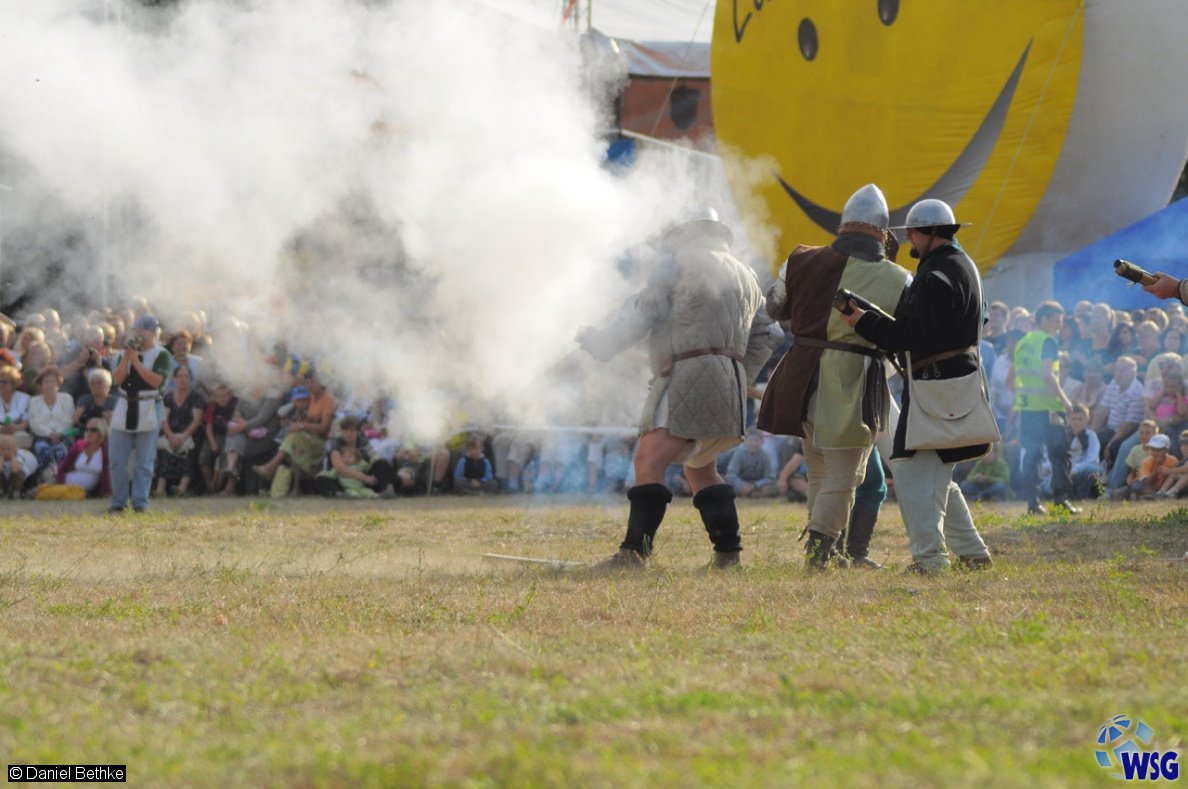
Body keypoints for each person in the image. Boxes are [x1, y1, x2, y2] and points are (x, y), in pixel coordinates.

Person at [576, 207, 781, 570]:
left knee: (648, 461)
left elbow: (645, 312)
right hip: (729, 384)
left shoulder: (676, 263)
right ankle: (728, 556)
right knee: (700, 469)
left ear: (687, 232)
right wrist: (738, 374)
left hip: (687, 377)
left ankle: (633, 555)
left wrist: (604, 343)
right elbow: (770, 334)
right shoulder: (747, 274)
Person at [759, 184, 912, 568]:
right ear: (883, 232)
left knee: (819, 471)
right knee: (845, 475)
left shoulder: (800, 259)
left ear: (843, 225)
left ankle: (830, 549)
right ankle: (820, 552)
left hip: (802, 374)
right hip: (851, 379)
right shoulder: (899, 278)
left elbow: (775, 307)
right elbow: (907, 334)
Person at [841, 198, 994, 574]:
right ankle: (972, 552)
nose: (908, 238)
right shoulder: (960, 265)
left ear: (929, 232)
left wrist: (862, 321)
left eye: (912, 232)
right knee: (936, 473)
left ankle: (930, 561)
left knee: (912, 474)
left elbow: (908, 336)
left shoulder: (935, 275)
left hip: (938, 384)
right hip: (950, 380)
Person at [1013, 301, 1078, 515]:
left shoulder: (1023, 342)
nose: (1059, 325)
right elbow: (1048, 375)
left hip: (1027, 409)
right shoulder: (1048, 341)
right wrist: (1065, 400)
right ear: (1044, 319)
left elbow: (1011, 379)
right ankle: (1061, 500)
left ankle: (1033, 503)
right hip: (1050, 408)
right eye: (1056, 320)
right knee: (1059, 455)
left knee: (1031, 456)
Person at [109, 315, 172, 513]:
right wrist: (127, 357)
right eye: (137, 329)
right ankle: (118, 502)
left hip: (149, 405)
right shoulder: (124, 354)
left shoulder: (162, 355)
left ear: (153, 333)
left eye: (144, 330)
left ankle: (140, 502)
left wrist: (135, 361)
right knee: (117, 460)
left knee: (144, 461)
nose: (140, 333)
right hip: (125, 404)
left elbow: (155, 381)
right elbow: (118, 379)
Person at [313, 415, 395, 498]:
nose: (348, 434)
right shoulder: (335, 442)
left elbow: (375, 458)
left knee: (381, 463)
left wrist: (374, 471)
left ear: (357, 431)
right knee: (320, 480)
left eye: (351, 431)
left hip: (361, 481)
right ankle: (340, 494)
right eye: (345, 431)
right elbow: (339, 467)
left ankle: (387, 489)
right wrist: (365, 478)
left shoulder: (362, 442)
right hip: (341, 478)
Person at [155, 365, 204, 497]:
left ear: (190, 379)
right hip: (171, 434)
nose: (183, 379)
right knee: (164, 450)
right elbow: (164, 419)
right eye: (180, 376)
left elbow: (197, 420)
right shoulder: (168, 397)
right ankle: (160, 489)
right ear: (174, 378)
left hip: (189, 434)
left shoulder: (196, 397)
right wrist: (171, 436)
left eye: (186, 376)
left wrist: (183, 436)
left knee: (189, 450)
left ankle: (182, 488)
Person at [28, 366, 76, 478]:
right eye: (46, 382)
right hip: (42, 437)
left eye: (53, 381)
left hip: (63, 436)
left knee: (60, 452)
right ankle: (45, 480)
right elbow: (34, 423)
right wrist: (50, 433)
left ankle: (62, 478)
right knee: (43, 451)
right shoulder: (34, 401)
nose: (49, 385)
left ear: (58, 383)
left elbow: (69, 420)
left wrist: (58, 433)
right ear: (41, 385)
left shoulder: (67, 399)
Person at [54, 418, 112, 498]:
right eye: (87, 429)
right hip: (65, 485)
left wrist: (107, 492)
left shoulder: (106, 450)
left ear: (102, 432)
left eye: (93, 430)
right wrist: (60, 486)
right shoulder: (78, 446)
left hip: (84, 492)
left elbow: (107, 475)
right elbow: (62, 468)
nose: (89, 432)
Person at [1111, 433, 1177, 500]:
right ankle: (1125, 493)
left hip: (1161, 487)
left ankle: (1144, 496)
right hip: (1146, 485)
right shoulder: (1147, 461)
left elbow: (1175, 476)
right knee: (1137, 486)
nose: (1156, 453)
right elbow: (1148, 482)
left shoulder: (1173, 460)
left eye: (1159, 450)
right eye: (1153, 449)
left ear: (1166, 450)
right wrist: (1157, 466)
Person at [1066, 404, 1105, 499]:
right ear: (1068, 419)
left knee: (1094, 469)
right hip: (1066, 471)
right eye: (1073, 419)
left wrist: (1075, 470)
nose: (1076, 422)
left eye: (1080, 419)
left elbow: (1091, 459)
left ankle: (1081, 495)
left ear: (1087, 420)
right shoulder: (1064, 435)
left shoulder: (1091, 436)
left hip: (1083, 470)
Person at [0, 364, 32, 450]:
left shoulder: (24, 398)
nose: (1, 384)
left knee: (23, 437)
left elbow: (25, 422)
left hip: (17, 429)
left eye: (5, 382)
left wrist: (16, 428)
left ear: (13, 384)